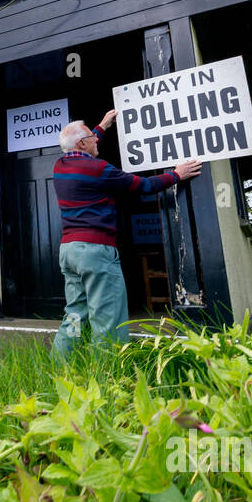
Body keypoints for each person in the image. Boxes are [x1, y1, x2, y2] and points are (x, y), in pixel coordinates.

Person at [51, 111, 200, 356]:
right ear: (82, 143)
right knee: (107, 316)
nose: (96, 140)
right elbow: (143, 186)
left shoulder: (60, 166)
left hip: (69, 252)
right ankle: (108, 374)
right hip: (95, 253)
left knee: (75, 313)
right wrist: (176, 174)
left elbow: (81, 143)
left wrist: (101, 126)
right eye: (92, 137)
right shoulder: (98, 168)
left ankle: (61, 362)